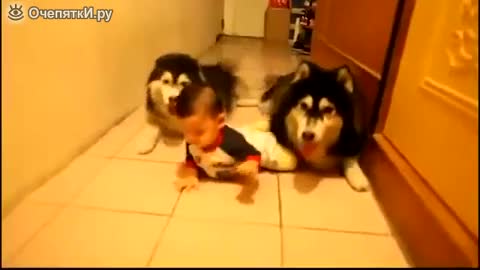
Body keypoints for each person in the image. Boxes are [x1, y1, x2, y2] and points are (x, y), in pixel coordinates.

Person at [173, 83, 263, 192]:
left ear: (219, 121)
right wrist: (191, 176)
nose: (190, 139)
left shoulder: (232, 142)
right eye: (186, 131)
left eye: (199, 132)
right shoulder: (192, 141)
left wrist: (251, 164)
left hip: (259, 145)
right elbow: (191, 160)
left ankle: (262, 127)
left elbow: (255, 154)